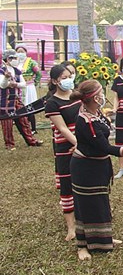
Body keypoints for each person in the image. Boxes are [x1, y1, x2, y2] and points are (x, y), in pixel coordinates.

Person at [70, 80, 123, 261]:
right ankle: (82, 246)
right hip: (85, 169)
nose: (103, 96)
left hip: (98, 167)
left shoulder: (95, 113)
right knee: (84, 207)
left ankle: (103, 239)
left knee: (100, 204)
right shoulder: (85, 121)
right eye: (100, 93)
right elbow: (104, 147)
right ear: (94, 97)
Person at [44, 63, 82, 241]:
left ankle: (86, 220)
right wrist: (79, 143)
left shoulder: (77, 97)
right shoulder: (52, 102)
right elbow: (62, 128)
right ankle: (71, 227)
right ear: (54, 81)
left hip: (83, 147)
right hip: (65, 149)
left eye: (70, 76)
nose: (68, 80)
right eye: (64, 78)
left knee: (84, 183)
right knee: (67, 186)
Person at [0, 49, 44, 150]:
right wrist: (6, 78)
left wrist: (15, 84)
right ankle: (9, 144)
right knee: (7, 123)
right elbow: (2, 85)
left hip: (16, 98)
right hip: (5, 101)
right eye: (13, 58)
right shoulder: (2, 71)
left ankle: (31, 140)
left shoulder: (17, 71)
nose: (16, 60)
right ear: (7, 59)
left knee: (23, 119)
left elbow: (23, 84)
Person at [15, 45, 42, 134]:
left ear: (26, 52)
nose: (20, 54)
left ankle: (33, 128)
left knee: (30, 106)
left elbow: (39, 73)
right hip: (19, 87)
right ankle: (24, 127)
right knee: (21, 106)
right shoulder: (15, 63)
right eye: (18, 51)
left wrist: (35, 82)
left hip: (29, 87)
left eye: (22, 51)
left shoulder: (31, 62)